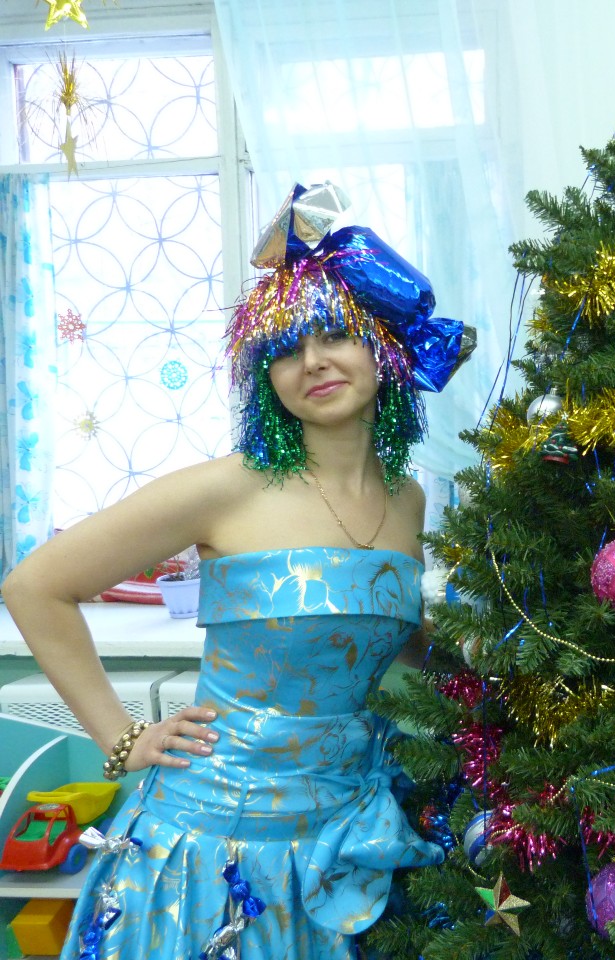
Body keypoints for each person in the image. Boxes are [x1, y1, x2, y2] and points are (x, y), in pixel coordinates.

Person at [1, 182, 474, 959]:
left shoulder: (408, 497)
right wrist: (122, 738)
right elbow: (34, 587)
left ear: (383, 348)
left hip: (346, 831)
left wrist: (486, 671)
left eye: (336, 335)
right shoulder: (226, 487)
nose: (312, 362)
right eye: (284, 349)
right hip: (213, 844)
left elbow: (377, 630)